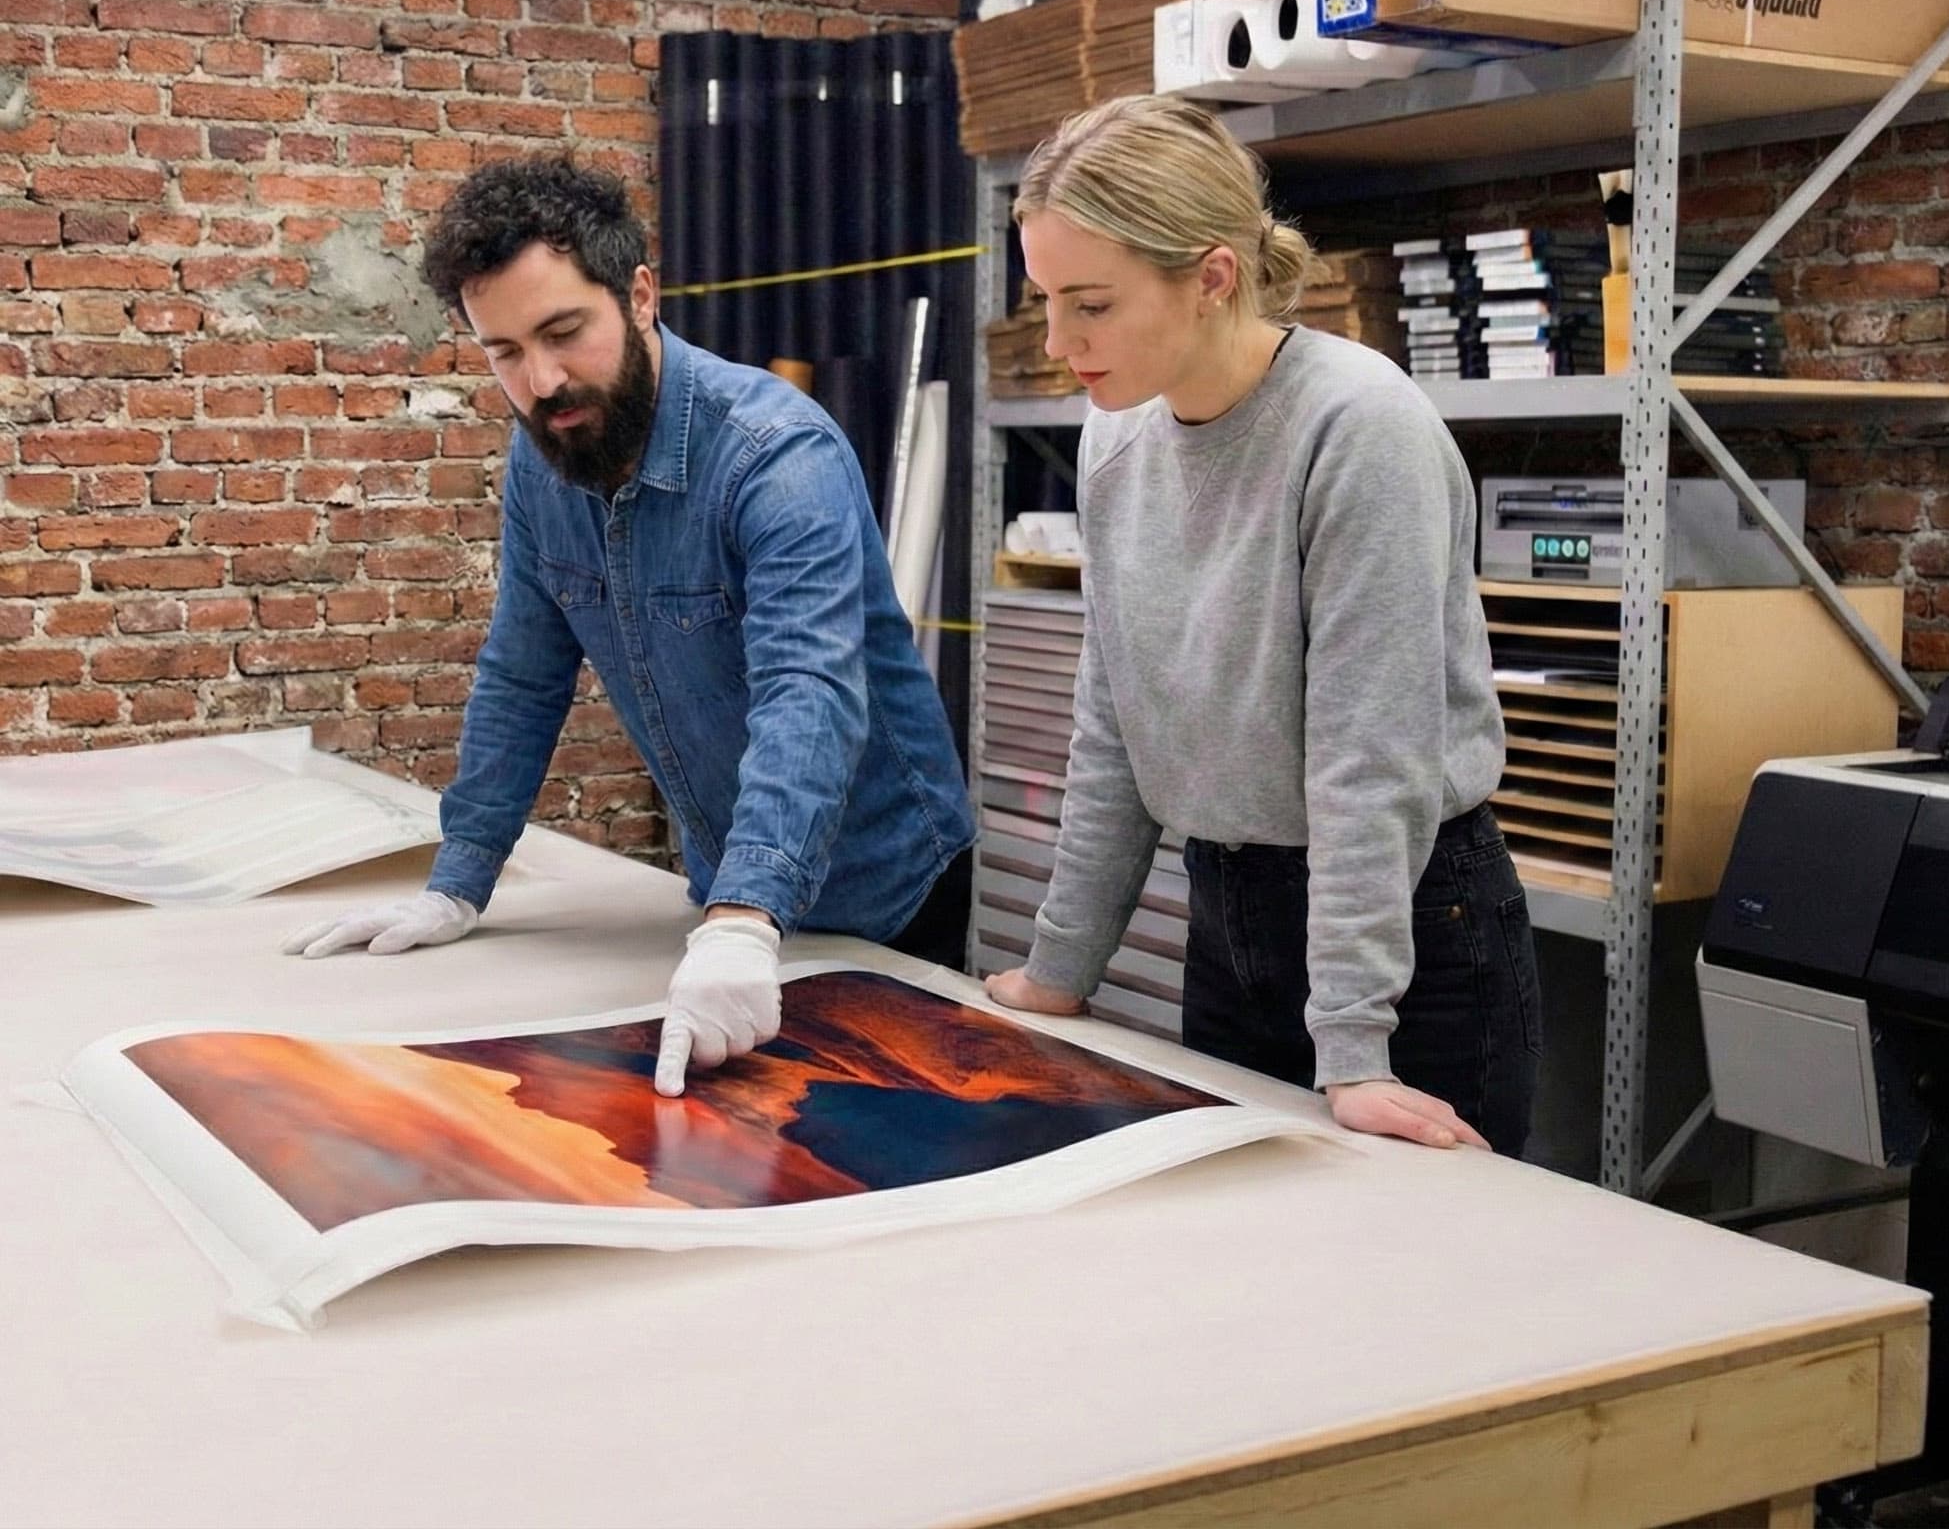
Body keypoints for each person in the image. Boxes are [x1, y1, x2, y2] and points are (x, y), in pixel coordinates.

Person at [283, 155, 976, 1097]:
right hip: (728, 896)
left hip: (887, 897)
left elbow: (805, 693)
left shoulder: (779, 457)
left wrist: (743, 919)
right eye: (505, 353)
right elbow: (523, 675)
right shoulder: (544, 465)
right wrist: (459, 880)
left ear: (640, 295)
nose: (543, 378)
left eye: (565, 332)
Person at [985, 95, 1542, 1154]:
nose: (1058, 342)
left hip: (1412, 936)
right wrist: (1061, 968)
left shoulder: (1358, 430)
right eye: (1047, 300)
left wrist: (1353, 1042)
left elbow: (1366, 758)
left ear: (1211, 278)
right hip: (1227, 912)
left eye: (1089, 304)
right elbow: (1113, 728)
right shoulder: (1116, 441)